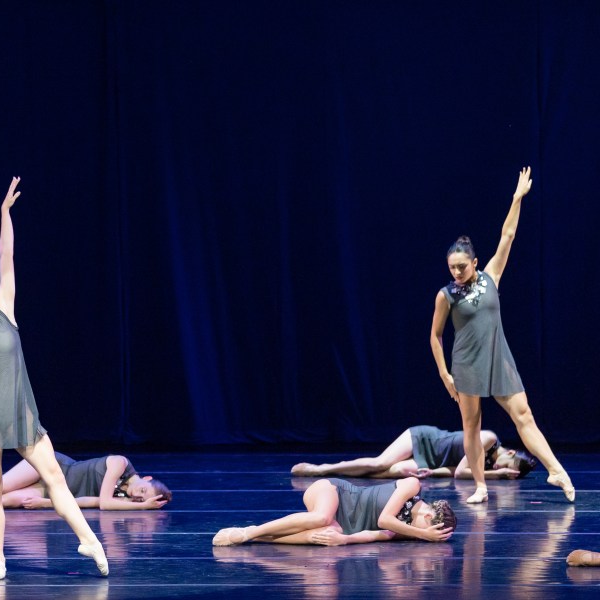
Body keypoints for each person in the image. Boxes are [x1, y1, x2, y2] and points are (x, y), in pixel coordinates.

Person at [0, 177, 108, 580]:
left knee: (54, 477)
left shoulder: (4, 310)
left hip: (21, 413)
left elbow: (7, 255)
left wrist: (4, 213)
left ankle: (89, 540)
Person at [430, 166, 573, 504]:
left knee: (524, 415)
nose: (457, 271)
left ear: (475, 262)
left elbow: (507, 235)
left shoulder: (491, 276)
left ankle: (556, 470)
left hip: (498, 357)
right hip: (466, 364)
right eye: (452, 267)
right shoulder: (446, 295)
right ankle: (480, 486)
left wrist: (517, 198)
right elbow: (435, 336)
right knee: (472, 426)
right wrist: (445, 374)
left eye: (462, 266)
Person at [212, 477, 456, 546]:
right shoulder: (412, 486)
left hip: (344, 524)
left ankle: (261, 538)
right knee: (322, 517)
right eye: (431, 530)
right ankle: (250, 532)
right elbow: (384, 520)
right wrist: (424, 535)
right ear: (428, 516)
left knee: (324, 534)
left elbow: (375, 534)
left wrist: (345, 540)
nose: (425, 536)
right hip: (336, 492)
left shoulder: (407, 531)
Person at [0, 452, 171, 510]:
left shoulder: (121, 497)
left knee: (11, 500)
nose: (137, 495)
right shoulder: (120, 463)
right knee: (2, 484)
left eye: (140, 499)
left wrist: (47, 503)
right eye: (143, 490)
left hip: (56, 490)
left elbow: (86, 502)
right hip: (55, 466)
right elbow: (103, 503)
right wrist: (142, 508)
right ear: (146, 478)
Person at [290, 426, 536, 479]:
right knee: (379, 463)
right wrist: (497, 475)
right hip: (424, 439)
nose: (499, 468)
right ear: (510, 453)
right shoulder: (488, 439)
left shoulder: (486, 466)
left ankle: (351, 472)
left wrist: (432, 472)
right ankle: (322, 469)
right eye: (506, 465)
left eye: (505, 471)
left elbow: (453, 469)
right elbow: (462, 472)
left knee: (401, 471)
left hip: (433, 460)